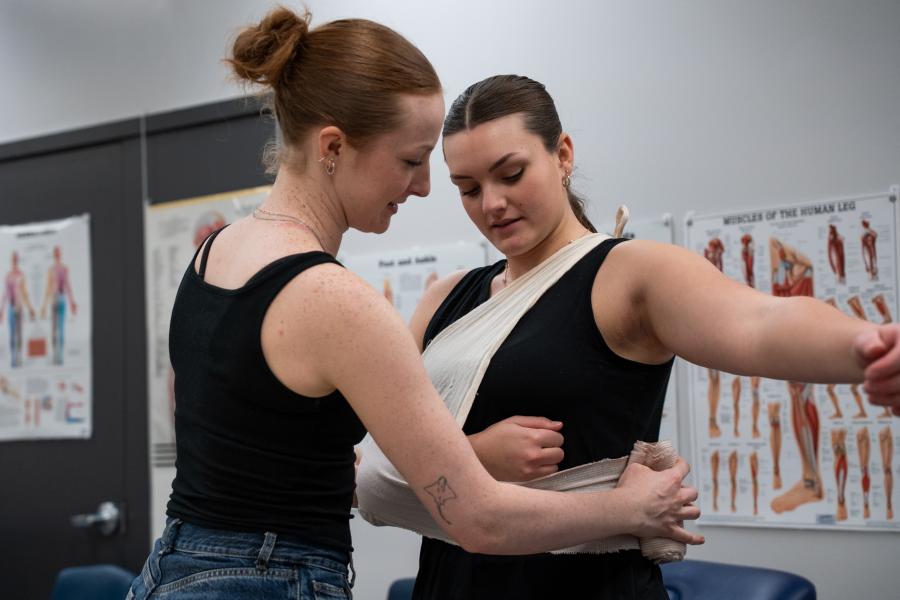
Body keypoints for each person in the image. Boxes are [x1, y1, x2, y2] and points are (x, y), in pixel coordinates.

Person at [127, 10, 702, 600]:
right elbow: (478, 519)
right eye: (410, 159)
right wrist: (629, 507)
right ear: (332, 147)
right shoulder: (337, 299)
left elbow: (296, 462)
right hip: (268, 579)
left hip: (174, 568)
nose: (425, 186)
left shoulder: (215, 253)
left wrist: (464, 453)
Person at [382, 74, 900, 600]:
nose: (491, 203)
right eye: (468, 189)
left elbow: (760, 323)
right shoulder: (444, 299)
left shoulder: (625, 275)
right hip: (449, 580)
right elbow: (377, 459)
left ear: (562, 155)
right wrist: (471, 459)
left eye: (511, 174)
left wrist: (868, 347)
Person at [39, 245, 77, 365]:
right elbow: (48, 288)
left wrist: (72, 302)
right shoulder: (51, 270)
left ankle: (60, 357)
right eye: (55, 253)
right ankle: (55, 355)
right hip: (54, 299)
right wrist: (44, 306)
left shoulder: (64, 269)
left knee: (61, 328)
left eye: (58, 253)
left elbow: (68, 286)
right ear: (54, 255)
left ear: (60, 254)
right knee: (54, 329)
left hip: (61, 299)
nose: (57, 255)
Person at [0, 251, 36, 368]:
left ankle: (19, 357)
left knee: (19, 333)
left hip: (19, 307)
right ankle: (13, 359)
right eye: (13, 259)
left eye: (16, 259)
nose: (14, 261)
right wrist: (1, 310)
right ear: (11, 260)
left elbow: (25, 293)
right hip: (11, 307)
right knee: (12, 334)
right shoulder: (8, 276)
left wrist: (30, 308)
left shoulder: (21, 275)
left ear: (18, 260)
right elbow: (5, 294)